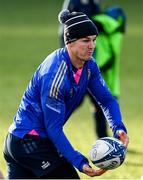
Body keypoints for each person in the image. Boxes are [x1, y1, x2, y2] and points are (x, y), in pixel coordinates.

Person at [3, 9, 129, 179]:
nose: (92, 46)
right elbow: (53, 128)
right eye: (85, 40)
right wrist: (79, 161)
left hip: (20, 142)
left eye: (94, 40)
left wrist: (118, 127)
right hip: (30, 143)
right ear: (69, 42)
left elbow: (107, 100)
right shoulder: (55, 75)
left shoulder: (89, 66)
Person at [58, 0, 109, 138]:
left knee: (99, 102)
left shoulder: (94, 3)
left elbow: (100, 22)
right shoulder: (72, 2)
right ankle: (50, 128)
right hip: (76, 66)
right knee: (73, 101)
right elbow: (64, 31)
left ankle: (104, 139)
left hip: (91, 63)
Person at [91, 5, 126, 138]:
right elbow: (109, 57)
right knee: (105, 105)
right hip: (102, 77)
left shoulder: (96, 24)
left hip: (91, 74)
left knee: (99, 106)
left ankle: (105, 139)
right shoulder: (115, 30)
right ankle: (111, 138)